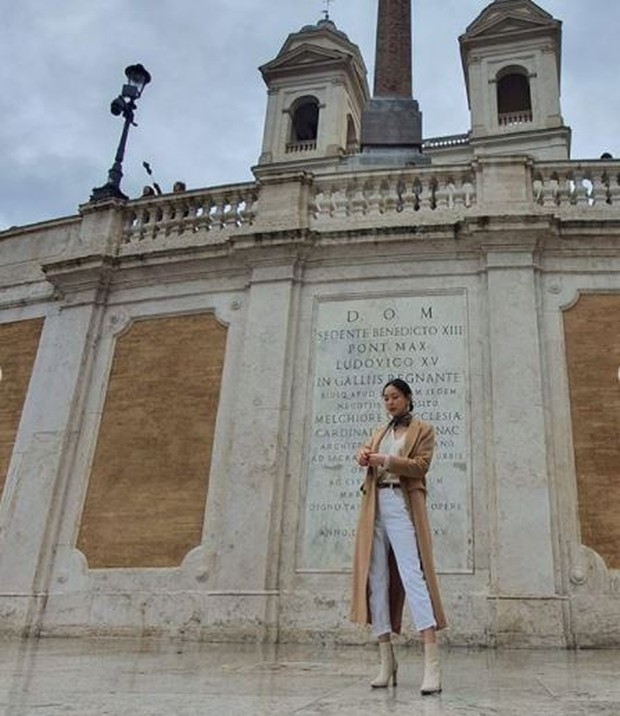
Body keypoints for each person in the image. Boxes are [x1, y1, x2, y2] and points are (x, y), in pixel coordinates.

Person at [350, 378, 446, 694]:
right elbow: (368, 457)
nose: (389, 402)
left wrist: (386, 460)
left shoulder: (423, 430)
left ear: (407, 399)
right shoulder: (380, 432)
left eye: (395, 396)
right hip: (374, 505)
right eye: (386, 397)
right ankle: (385, 660)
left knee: (411, 575)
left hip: (401, 504)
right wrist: (364, 454)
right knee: (376, 579)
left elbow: (420, 466)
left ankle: (431, 663)